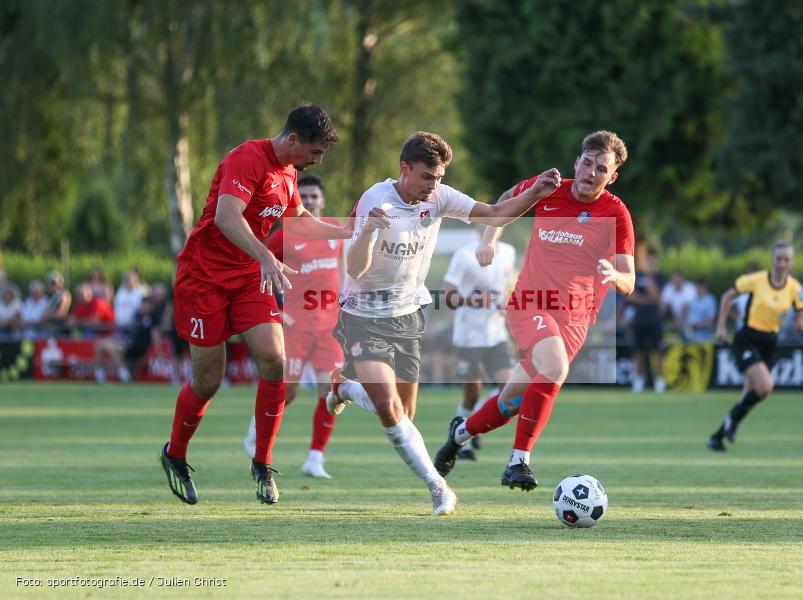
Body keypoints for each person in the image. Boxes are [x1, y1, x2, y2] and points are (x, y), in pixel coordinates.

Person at [326, 131, 563, 515]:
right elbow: (354, 268)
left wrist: (535, 193)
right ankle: (439, 487)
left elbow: (494, 214)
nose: (433, 186)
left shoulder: (440, 197)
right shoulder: (375, 199)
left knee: (404, 415)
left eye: (438, 178)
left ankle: (345, 388)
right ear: (404, 168)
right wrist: (368, 230)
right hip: (363, 314)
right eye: (426, 177)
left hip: (407, 315)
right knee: (389, 408)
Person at [158, 104, 346, 506]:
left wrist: (349, 230)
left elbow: (300, 220)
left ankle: (262, 463)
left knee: (275, 361)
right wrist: (266, 257)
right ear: (293, 139)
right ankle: (175, 453)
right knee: (208, 381)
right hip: (204, 279)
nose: (317, 161)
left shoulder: (289, 171)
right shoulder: (247, 158)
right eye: (315, 152)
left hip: (246, 279)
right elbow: (226, 217)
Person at [432, 130, 636, 492]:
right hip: (531, 303)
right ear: (577, 162)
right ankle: (518, 462)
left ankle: (459, 434)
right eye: (587, 163)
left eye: (601, 168)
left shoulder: (616, 213)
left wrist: (614, 275)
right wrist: (488, 239)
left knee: (511, 400)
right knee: (554, 367)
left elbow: (629, 280)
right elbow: (505, 202)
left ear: (612, 176)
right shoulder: (549, 189)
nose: (591, 172)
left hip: (574, 319)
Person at [242, 173, 346, 480]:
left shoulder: (335, 231)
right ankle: (256, 430)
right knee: (287, 392)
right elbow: (256, 269)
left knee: (333, 392)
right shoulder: (284, 235)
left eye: (315, 196)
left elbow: (340, 274)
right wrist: (276, 309)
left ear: (322, 200)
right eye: (305, 196)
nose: (310, 201)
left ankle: (315, 458)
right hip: (294, 326)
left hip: (329, 327)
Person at [706, 241, 803, 451]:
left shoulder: (795, 288)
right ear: (772, 260)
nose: (782, 264)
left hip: (770, 343)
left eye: (786, 260)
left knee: (749, 395)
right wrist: (721, 328)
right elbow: (727, 297)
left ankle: (717, 437)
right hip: (748, 338)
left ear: (791, 262)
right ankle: (731, 423)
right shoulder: (756, 280)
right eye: (778, 259)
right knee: (765, 386)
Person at [442, 230, 517, 460]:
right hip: (468, 337)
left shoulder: (509, 252)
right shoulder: (464, 255)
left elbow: (507, 288)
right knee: (472, 393)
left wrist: (507, 304)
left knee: (511, 389)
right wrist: (473, 300)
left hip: (496, 335)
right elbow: (447, 295)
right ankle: (462, 444)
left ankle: (474, 420)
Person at [628, 248, 666, 392]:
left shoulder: (660, 277)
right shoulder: (637, 275)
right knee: (638, 351)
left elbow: (656, 296)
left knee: (657, 351)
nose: (650, 262)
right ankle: (639, 379)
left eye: (652, 259)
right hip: (639, 319)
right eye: (648, 259)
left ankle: (659, 381)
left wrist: (649, 278)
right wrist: (647, 300)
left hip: (654, 319)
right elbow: (631, 296)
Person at [661, 271, 697, 340]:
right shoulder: (669, 287)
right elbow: (663, 306)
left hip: (691, 321)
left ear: (683, 280)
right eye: (674, 282)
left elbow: (686, 307)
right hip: (677, 320)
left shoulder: (690, 288)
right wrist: (660, 317)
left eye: (678, 282)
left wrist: (678, 322)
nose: (676, 284)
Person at [114, 269, 148, 333]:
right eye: (126, 279)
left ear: (136, 279)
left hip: (136, 327)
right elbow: (117, 306)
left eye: (130, 279)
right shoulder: (120, 291)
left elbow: (145, 308)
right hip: (121, 326)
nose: (128, 281)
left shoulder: (142, 291)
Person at [683, 278, 716, 343]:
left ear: (705, 287)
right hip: (689, 338)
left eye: (700, 287)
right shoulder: (692, 299)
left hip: (704, 340)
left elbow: (709, 323)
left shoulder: (710, 301)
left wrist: (692, 325)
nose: (698, 289)